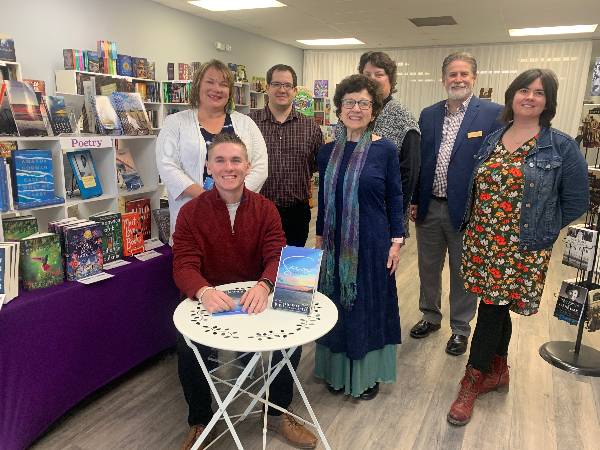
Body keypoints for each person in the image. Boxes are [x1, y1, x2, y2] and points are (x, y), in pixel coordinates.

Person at [447, 68, 589, 426]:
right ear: (512, 96)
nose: (530, 97)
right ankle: (498, 371)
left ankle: (473, 377)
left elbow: (575, 201)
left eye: (539, 93)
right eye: (524, 90)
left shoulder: (560, 145)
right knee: (496, 304)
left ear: (548, 102)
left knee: (492, 308)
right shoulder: (494, 137)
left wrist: (543, 231)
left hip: (521, 246)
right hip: (482, 239)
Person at [172, 133, 318, 450]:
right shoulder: (190, 213)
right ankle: (200, 421)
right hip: (211, 299)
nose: (229, 167)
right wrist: (202, 290)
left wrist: (265, 284)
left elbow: (276, 254)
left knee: (290, 337)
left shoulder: (266, 209)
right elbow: (183, 264)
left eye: (236, 160)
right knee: (187, 348)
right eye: (220, 160)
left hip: (257, 295)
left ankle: (277, 412)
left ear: (247, 166)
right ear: (208, 167)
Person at [314, 74, 405, 400]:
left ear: (373, 110)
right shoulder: (326, 153)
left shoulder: (385, 150)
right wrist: (320, 237)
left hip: (371, 244)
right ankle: (336, 372)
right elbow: (325, 201)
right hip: (336, 245)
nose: (356, 108)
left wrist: (397, 241)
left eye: (363, 103)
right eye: (349, 102)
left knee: (366, 306)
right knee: (336, 304)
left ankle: (366, 376)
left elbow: (396, 198)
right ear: (339, 109)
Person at [409, 52, 503, 356]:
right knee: (427, 267)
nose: (458, 79)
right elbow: (422, 161)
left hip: (467, 210)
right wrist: (414, 200)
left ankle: (461, 328)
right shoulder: (429, 114)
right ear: (443, 79)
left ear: (474, 78)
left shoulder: (492, 113)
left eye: (464, 74)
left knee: (463, 272)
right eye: (452, 74)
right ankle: (430, 316)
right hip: (430, 206)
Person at [156, 59, 268, 238]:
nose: (217, 89)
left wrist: (230, 198)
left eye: (223, 84)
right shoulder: (175, 123)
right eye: (210, 82)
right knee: (192, 261)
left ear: (230, 91)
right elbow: (167, 167)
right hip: (192, 215)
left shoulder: (246, 124)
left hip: (238, 213)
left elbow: (261, 167)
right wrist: (206, 198)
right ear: (198, 85)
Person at [335, 51, 420, 226]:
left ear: (390, 79)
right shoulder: (349, 115)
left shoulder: (403, 118)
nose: (372, 79)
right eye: (367, 74)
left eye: (379, 74)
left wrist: (392, 218)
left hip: (382, 218)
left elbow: (408, 175)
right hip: (343, 213)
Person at [249, 64, 323, 247]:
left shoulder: (310, 127)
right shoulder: (248, 123)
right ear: (267, 88)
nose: (282, 90)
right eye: (276, 84)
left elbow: (314, 165)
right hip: (256, 211)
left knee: (292, 271)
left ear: (295, 91)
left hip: (297, 213)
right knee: (258, 268)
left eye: (287, 85)